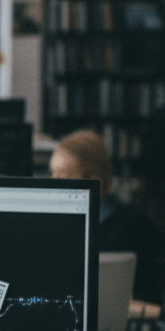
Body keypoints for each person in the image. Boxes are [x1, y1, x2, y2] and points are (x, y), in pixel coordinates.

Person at [50, 129, 164, 307]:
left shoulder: (134, 229)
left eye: (63, 176)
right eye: (52, 174)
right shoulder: (61, 226)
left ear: (95, 183)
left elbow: (152, 306)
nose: (53, 185)